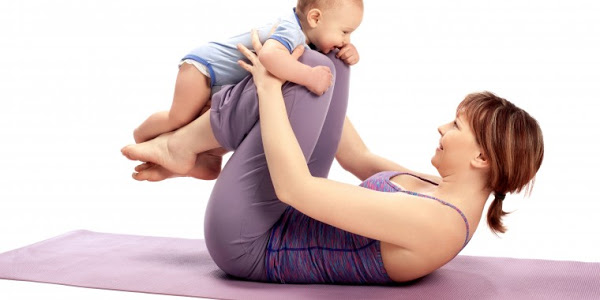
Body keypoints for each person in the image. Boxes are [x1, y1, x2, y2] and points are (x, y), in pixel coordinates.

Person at [121, 33, 544, 283]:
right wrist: (330, 65)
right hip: (277, 215)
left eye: (455, 126)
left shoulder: (438, 223)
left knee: (296, 77)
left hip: (248, 244)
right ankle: (199, 150)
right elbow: (356, 157)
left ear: (483, 157)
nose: (441, 129)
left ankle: (182, 145)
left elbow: (295, 188)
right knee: (323, 66)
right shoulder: (439, 190)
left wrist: (272, 88)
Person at [131, 0, 364, 156]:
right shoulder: (290, 30)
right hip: (204, 68)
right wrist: (309, 77)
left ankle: (205, 159)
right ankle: (142, 136)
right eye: (345, 32)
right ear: (314, 18)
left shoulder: (308, 37)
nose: (346, 39)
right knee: (179, 117)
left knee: (215, 126)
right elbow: (270, 58)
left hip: (223, 85)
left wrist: (348, 51)